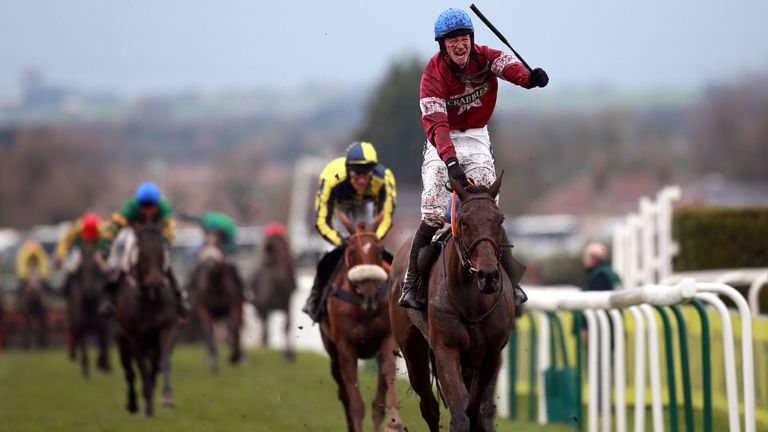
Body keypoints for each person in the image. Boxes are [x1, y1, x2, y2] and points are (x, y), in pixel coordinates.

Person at [398, 8, 548, 309]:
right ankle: (410, 284)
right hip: (443, 140)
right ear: (443, 45)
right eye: (452, 40)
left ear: (471, 39)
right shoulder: (432, 74)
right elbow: (436, 125)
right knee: (433, 212)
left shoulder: (485, 56)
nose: (460, 45)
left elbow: (508, 66)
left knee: (487, 208)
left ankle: (511, 281)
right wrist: (450, 160)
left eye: (463, 38)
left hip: (477, 137)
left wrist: (529, 78)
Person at [302, 141, 397, 321]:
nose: (361, 179)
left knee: (375, 251)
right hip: (340, 210)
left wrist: (372, 239)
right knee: (329, 255)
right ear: (348, 170)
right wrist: (340, 241)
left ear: (372, 171)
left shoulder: (385, 178)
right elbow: (322, 221)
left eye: (365, 174)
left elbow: (386, 217)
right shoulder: (331, 177)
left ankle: (400, 295)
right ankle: (315, 299)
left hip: (366, 207)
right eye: (356, 174)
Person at [100, 181, 189, 319]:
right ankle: (111, 298)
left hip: (157, 238)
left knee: (165, 262)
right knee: (126, 261)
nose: (148, 211)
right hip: (137, 237)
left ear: (157, 204)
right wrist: (106, 243)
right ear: (139, 204)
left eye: (151, 207)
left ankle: (179, 298)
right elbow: (115, 225)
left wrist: (165, 241)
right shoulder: (130, 207)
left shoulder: (164, 206)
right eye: (144, 207)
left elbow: (169, 227)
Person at [53, 212, 105, 296]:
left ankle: (108, 290)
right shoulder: (76, 227)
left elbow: (108, 242)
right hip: (80, 250)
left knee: (104, 266)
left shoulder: (102, 228)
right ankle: (65, 289)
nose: (89, 239)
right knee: (72, 267)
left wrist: (105, 253)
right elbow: (64, 242)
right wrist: (60, 256)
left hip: (96, 250)